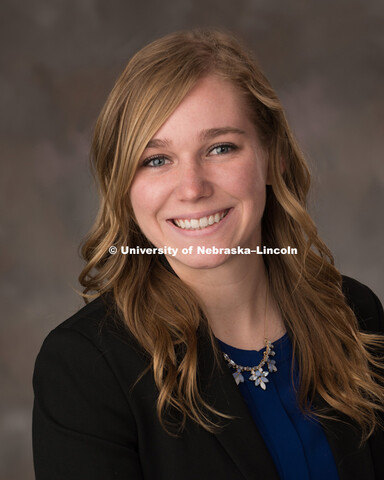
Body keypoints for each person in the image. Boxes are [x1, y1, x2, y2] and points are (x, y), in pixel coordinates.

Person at [32, 29, 384, 479]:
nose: (193, 188)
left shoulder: (354, 314)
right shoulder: (85, 369)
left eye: (220, 148)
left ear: (272, 156)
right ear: (124, 184)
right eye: (156, 159)